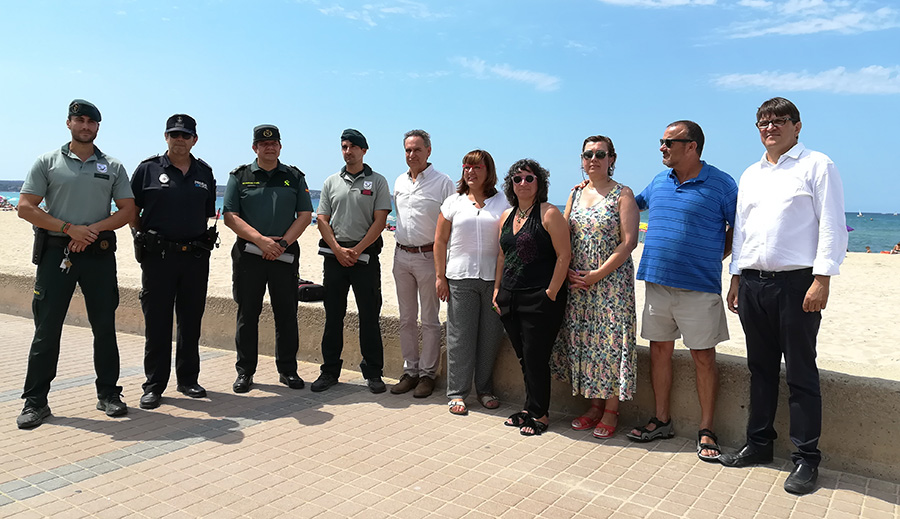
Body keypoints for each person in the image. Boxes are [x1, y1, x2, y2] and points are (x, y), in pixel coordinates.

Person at [721, 97, 848, 495]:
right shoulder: (751, 173)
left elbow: (832, 225)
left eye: (779, 120)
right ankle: (759, 444)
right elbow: (742, 230)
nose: (770, 127)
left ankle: (806, 459)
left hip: (797, 284)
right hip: (753, 283)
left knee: (800, 373)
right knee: (759, 369)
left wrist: (822, 279)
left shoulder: (817, 165)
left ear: (797, 126)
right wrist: (736, 276)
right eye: (764, 122)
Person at [16, 99, 136, 429]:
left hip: (98, 255)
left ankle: (109, 394)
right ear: (68, 123)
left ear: (98, 127)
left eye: (91, 122)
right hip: (57, 254)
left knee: (104, 327)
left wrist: (90, 231)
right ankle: (35, 402)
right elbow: (25, 207)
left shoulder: (112, 166)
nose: (85, 126)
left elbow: (128, 210)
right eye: (79, 120)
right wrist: (69, 229)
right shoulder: (47, 162)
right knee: (46, 329)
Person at [624, 121, 737, 463]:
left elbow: (740, 230)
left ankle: (706, 429)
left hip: (699, 288)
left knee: (703, 357)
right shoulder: (660, 180)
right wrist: (594, 186)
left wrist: (714, 255)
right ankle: (661, 420)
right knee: (659, 352)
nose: (662, 147)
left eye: (668, 142)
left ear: (692, 146)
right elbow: (629, 205)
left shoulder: (722, 184)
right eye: (661, 141)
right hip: (657, 284)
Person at [551, 135, 639, 439]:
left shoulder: (623, 194)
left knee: (611, 344)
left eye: (600, 154)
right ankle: (593, 406)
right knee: (586, 342)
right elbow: (562, 234)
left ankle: (611, 410)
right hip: (579, 281)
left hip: (611, 283)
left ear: (611, 159)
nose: (593, 159)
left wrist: (597, 274)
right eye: (588, 154)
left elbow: (628, 242)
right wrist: (567, 271)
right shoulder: (575, 194)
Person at [130, 114, 217, 409]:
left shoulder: (204, 172)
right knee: (158, 322)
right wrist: (142, 236)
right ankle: (154, 385)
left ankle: (188, 380)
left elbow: (207, 212)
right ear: (166, 137)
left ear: (194, 140)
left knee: (191, 321)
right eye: (174, 134)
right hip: (158, 258)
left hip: (195, 257)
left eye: (185, 135)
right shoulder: (148, 169)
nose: (180, 139)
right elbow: (131, 210)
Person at [223, 125, 313, 393]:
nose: (269, 147)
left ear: (280, 147)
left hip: (285, 254)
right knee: (247, 314)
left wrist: (281, 244)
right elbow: (230, 217)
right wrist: (261, 241)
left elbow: (305, 216)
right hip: (249, 255)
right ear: (255, 148)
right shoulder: (240, 176)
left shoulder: (294, 177)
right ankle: (245, 372)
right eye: (264, 144)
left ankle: (288, 370)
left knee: (286, 314)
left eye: (274, 143)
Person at [493, 159, 571, 436]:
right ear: (511, 185)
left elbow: (564, 255)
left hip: (540, 297)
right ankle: (529, 408)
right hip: (509, 296)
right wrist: (496, 290)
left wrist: (551, 293)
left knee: (536, 357)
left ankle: (540, 414)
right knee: (524, 357)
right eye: (517, 179)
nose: (523, 183)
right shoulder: (506, 215)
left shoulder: (549, 213)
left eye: (529, 178)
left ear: (540, 183)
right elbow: (502, 256)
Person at [312, 129, 392, 393]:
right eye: (344, 147)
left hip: (365, 257)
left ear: (364, 151)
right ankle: (329, 371)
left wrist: (357, 250)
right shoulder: (331, 182)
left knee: (369, 317)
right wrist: (337, 249)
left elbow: (380, 221)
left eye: (353, 147)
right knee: (333, 317)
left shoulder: (378, 181)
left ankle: (374, 373)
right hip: (335, 258)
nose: (348, 151)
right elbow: (322, 219)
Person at [435, 150, 510, 415]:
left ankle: (485, 390)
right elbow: (440, 241)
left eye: (477, 167)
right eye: (467, 166)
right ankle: (457, 393)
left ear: (489, 171)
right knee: (460, 339)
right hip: (460, 278)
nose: (471, 171)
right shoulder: (453, 202)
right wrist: (440, 276)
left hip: (494, 280)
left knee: (490, 338)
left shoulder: (503, 201)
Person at [390, 130, 455, 398]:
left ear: (429, 151)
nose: (412, 155)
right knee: (406, 318)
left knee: (429, 319)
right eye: (407, 150)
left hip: (429, 257)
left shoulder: (443, 182)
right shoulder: (399, 181)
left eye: (417, 149)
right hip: (401, 256)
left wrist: (443, 269)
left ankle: (428, 375)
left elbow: (451, 224)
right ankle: (410, 371)